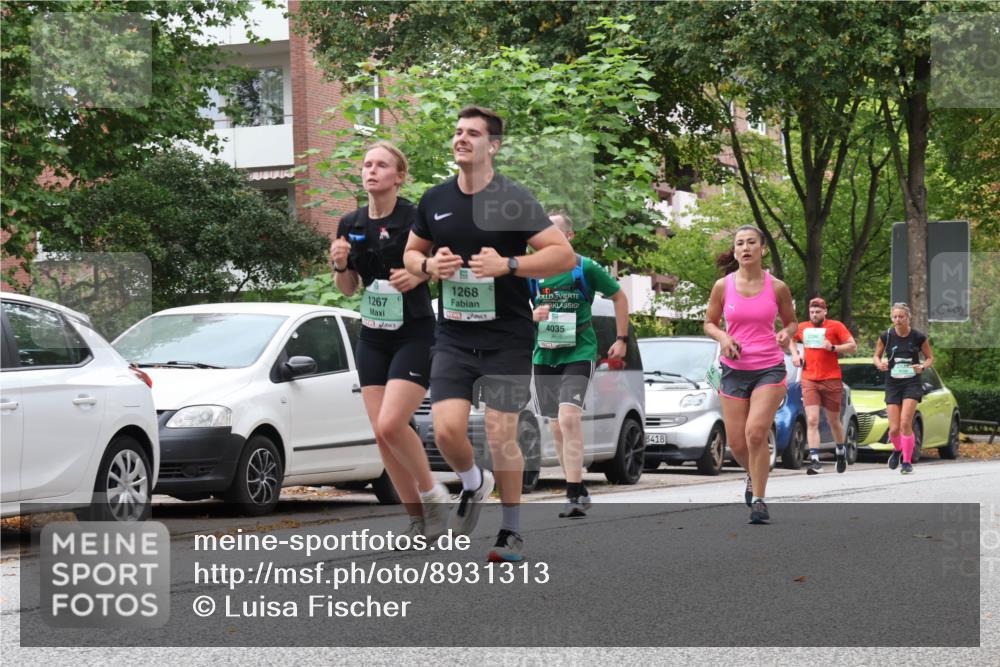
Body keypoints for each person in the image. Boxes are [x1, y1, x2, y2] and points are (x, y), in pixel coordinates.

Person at [403, 106, 575, 561]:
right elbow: (410, 256)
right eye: (458, 132)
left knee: (501, 434)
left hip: (508, 337)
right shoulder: (435, 199)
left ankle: (511, 531)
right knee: (444, 432)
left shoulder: (514, 198)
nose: (461, 139)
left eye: (472, 134)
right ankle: (474, 482)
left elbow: (563, 257)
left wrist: (510, 264)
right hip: (455, 336)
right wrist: (427, 266)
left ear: (493, 145)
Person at [331, 141, 449, 541]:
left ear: (398, 176)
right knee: (381, 433)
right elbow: (347, 289)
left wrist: (420, 274)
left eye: (381, 165)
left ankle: (434, 494)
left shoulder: (417, 217)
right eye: (366, 164)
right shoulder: (350, 223)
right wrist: (340, 263)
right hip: (374, 334)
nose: (371, 170)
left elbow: (441, 266)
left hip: (415, 330)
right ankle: (418, 520)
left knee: (392, 422)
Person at [529, 211, 630, 518]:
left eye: (554, 233)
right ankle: (578, 488)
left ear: (569, 237)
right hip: (544, 354)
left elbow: (619, 297)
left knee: (569, 418)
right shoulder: (531, 272)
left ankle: (573, 491)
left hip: (579, 352)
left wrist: (621, 338)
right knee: (555, 425)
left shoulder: (584, 267)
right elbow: (514, 311)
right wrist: (530, 316)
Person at [704, 225, 798, 525]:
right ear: (735, 251)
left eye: (751, 243)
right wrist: (723, 338)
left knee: (756, 432)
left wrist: (785, 333)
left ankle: (759, 500)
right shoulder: (723, 286)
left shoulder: (778, 287)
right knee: (738, 444)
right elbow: (709, 322)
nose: (745, 248)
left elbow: (792, 323)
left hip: (769, 368)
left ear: (762, 249)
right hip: (733, 370)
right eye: (739, 244)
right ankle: (751, 474)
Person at [792, 297, 858, 474]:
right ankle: (814, 460)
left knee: (833, 421)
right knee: (812, 420)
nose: (814, 315)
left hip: (831, 379)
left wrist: (833, 348)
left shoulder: (835, 326)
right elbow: (790, 339)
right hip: (809, 379)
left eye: (817, 312)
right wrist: (795, 355)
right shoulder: (802, 327)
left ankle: (840, 450)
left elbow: (853, 346)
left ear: (825, 312)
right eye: (812, 312)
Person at [872, 302, 935, 475]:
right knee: (893, 429)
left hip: (912, 383)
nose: (897, 320)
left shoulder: (918, 337)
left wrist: (922, 367)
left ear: (908, 318)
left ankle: (906, 462)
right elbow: (876, 356)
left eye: (901, 317)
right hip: (893, 383)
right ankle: (898, 449)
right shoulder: (886, 336)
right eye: (895, 317)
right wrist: (880, 364)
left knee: (905, 422)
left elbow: (930, 358)